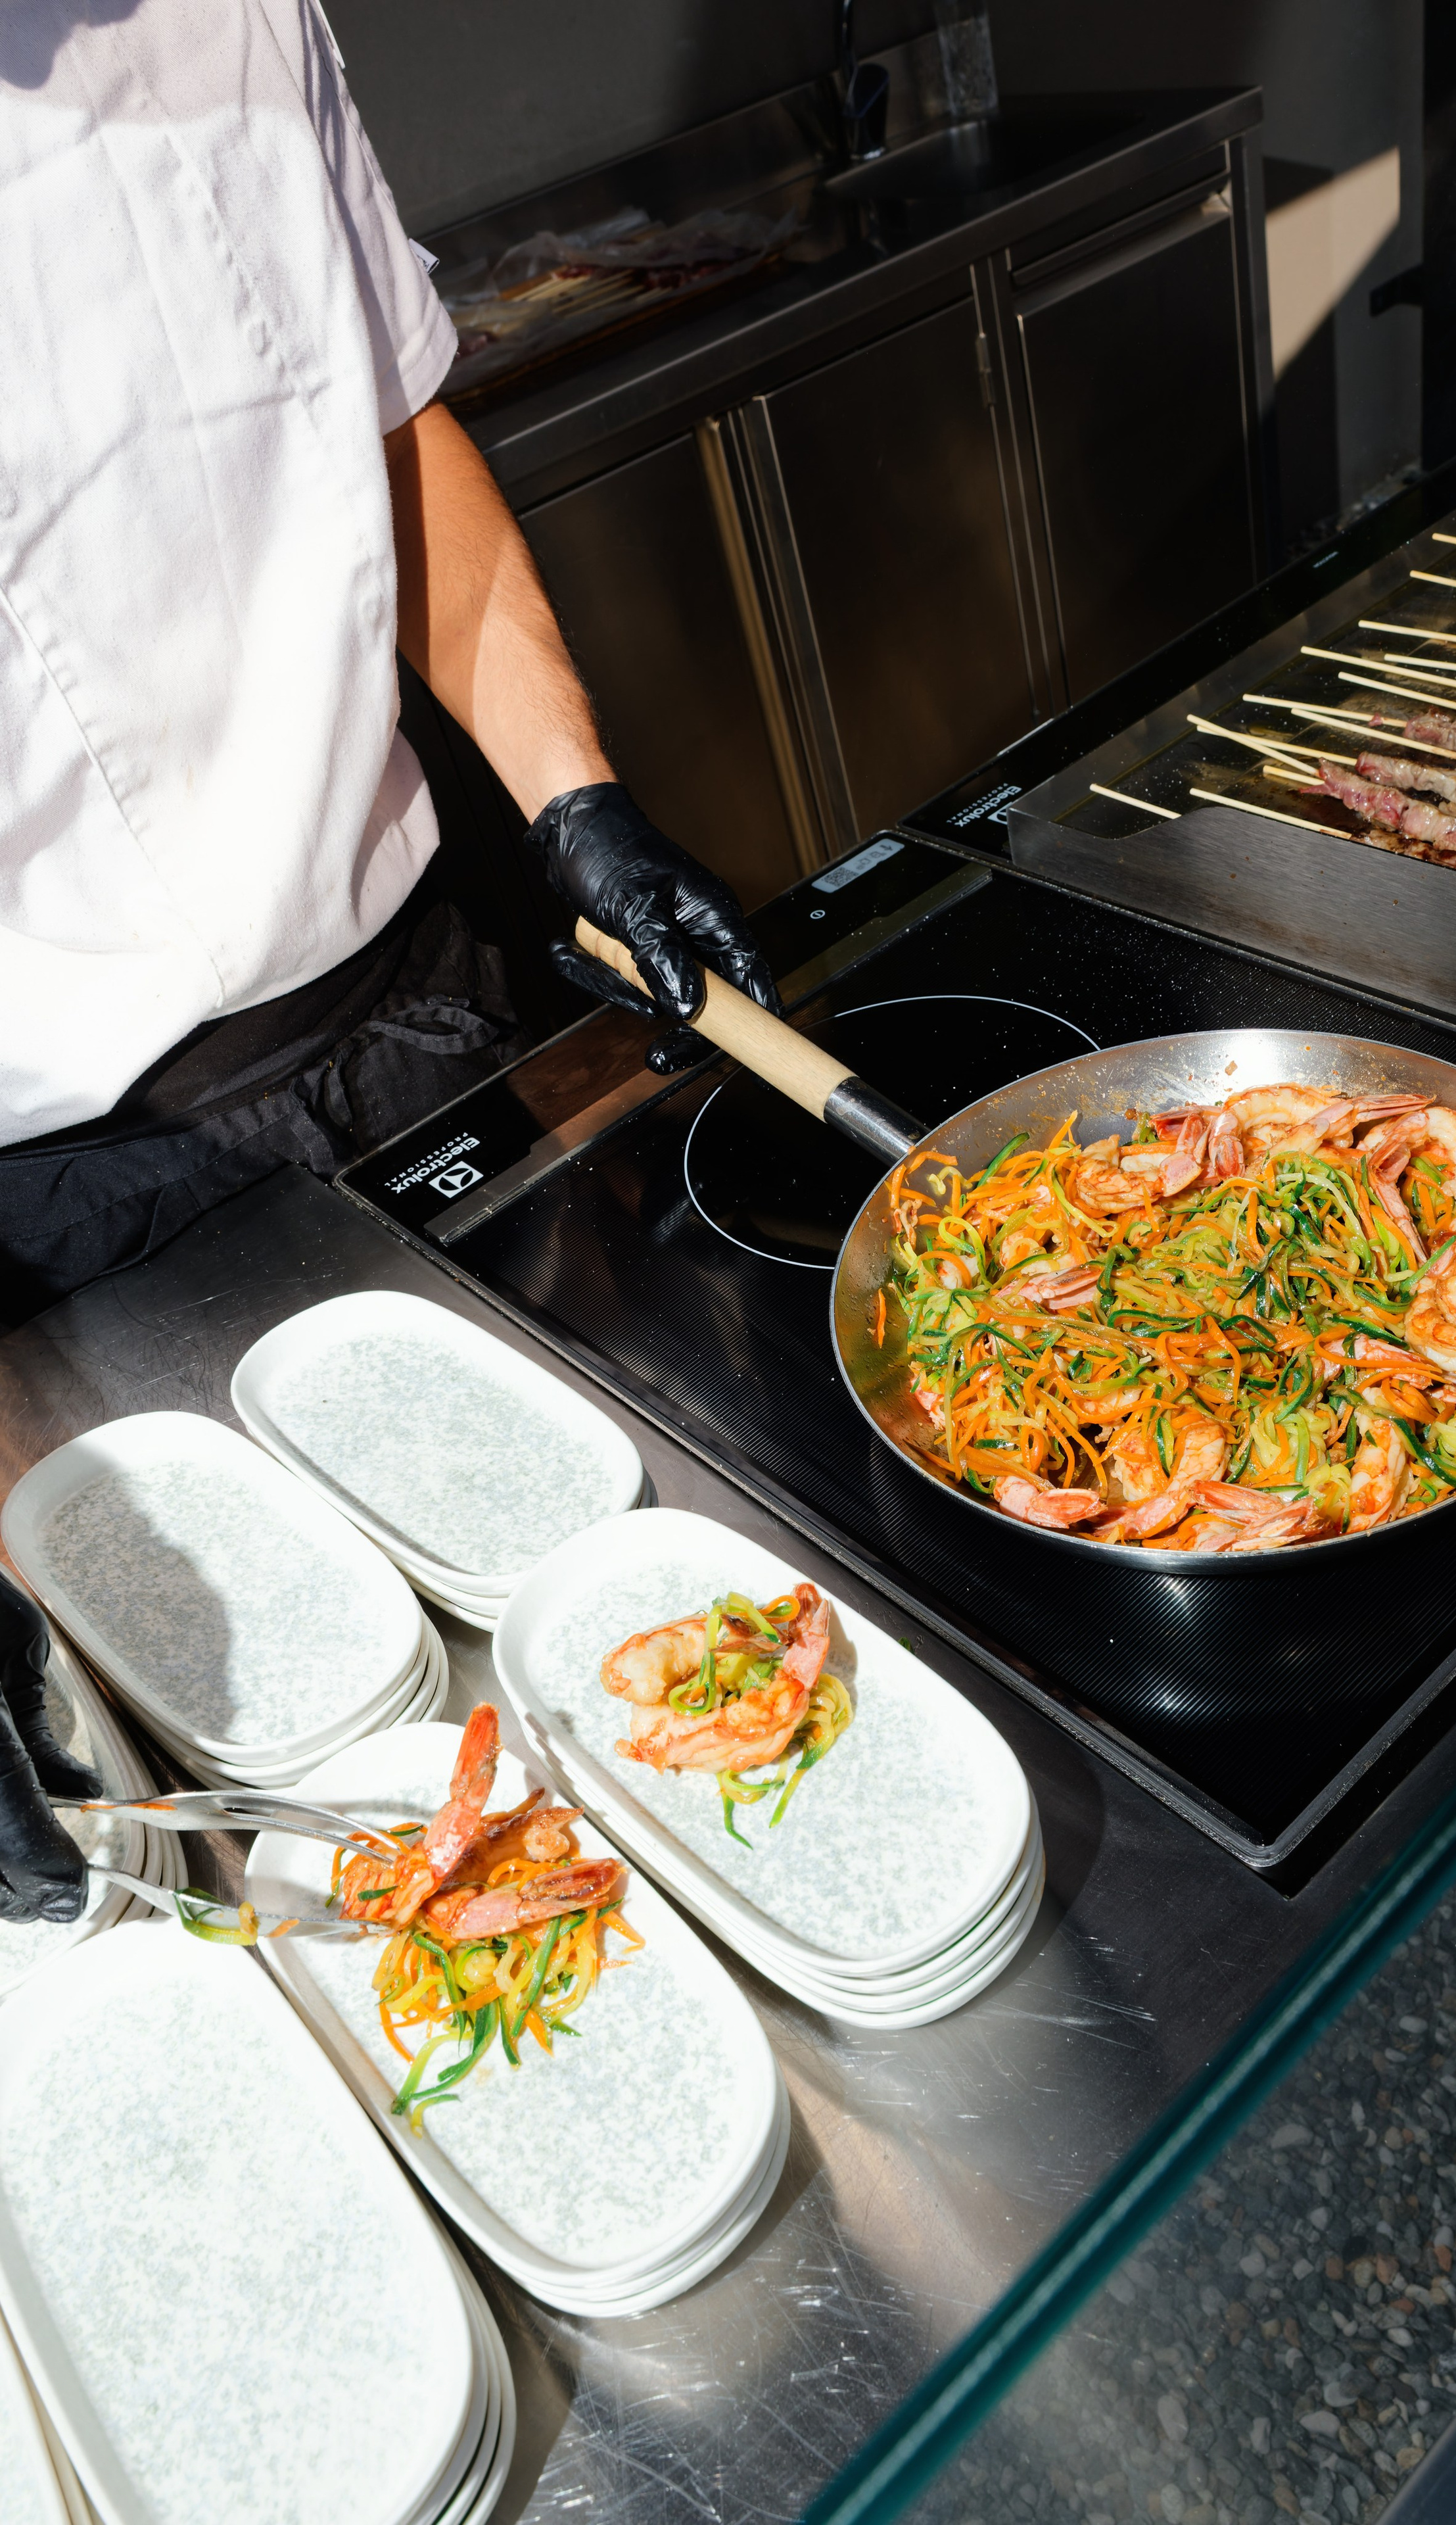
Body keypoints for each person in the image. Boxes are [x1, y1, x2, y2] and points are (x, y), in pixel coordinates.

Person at [0, 0, 777, 1918]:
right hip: (61, 1214)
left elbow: (390, 426)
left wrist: (575, 799)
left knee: (619, 1655)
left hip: (418, 1026)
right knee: (282, 1859)